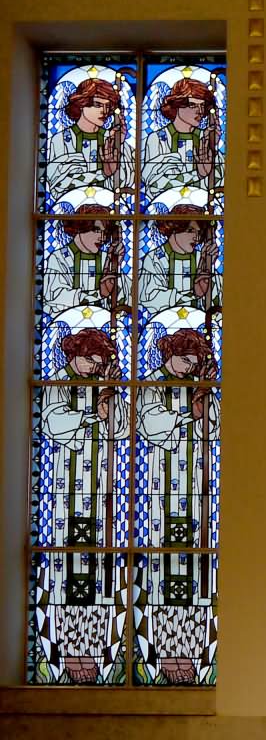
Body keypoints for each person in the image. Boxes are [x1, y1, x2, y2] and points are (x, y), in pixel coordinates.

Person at [39, 327, 127, 684]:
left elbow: (121, 430)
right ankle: (68, 653)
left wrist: (111, 406)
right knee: (67, 574)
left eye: (99, 361)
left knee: (98, 575)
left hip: (101, 488)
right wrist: (94, 415)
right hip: (65, 492)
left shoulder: (105, 389)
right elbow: (53, 422)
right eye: (89, 358)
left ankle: (94, 651)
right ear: (73, 353)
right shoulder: (58, 383)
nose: (93, 366)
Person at [135, 328, 218, 684]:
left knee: (195, 574)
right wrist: (191, 413)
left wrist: (207, 401)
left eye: (195, 363)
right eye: (185, 360)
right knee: (163, 572)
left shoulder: (203, 389)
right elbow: (151, 425)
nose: (189, 368)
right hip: (159, 490)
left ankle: (193, 648)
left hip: (198, 488)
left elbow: (217, 427)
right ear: (169, 353)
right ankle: (164, 650)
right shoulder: (152, 386)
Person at [45, 75, 130, 203]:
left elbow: (129, 184)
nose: (104, 111)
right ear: (81, 104)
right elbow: (57, 185)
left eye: (108, 106)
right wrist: (103, 173)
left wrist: (120, 145)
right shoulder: (59, 140)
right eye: (98, 105)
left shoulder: (112, 138)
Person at [42, 205, 128, 317]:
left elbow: (128, 298)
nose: (102, 237)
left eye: (105, 232)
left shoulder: (106, 258)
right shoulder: (59, 258)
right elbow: (55, 297)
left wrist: (114, 266)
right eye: (96, 230)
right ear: (80, 228)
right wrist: (99, 295)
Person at [143, 75, 221, 196]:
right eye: (193, 105)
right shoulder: (156, 139)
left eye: (202, 106)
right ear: (177, 105)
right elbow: (153, 185)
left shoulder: (206, 137)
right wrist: (198, 174)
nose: (200, 111)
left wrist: (213, 148)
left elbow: (222, 184)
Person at [142, 205, 221, 315]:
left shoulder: (201, 257)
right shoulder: (154, 258)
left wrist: (208, 267)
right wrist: (193, 295)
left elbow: (218, 300)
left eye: (198, 232)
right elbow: (150, 297)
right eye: (190, 230)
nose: (196, 237)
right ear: (174, 229)